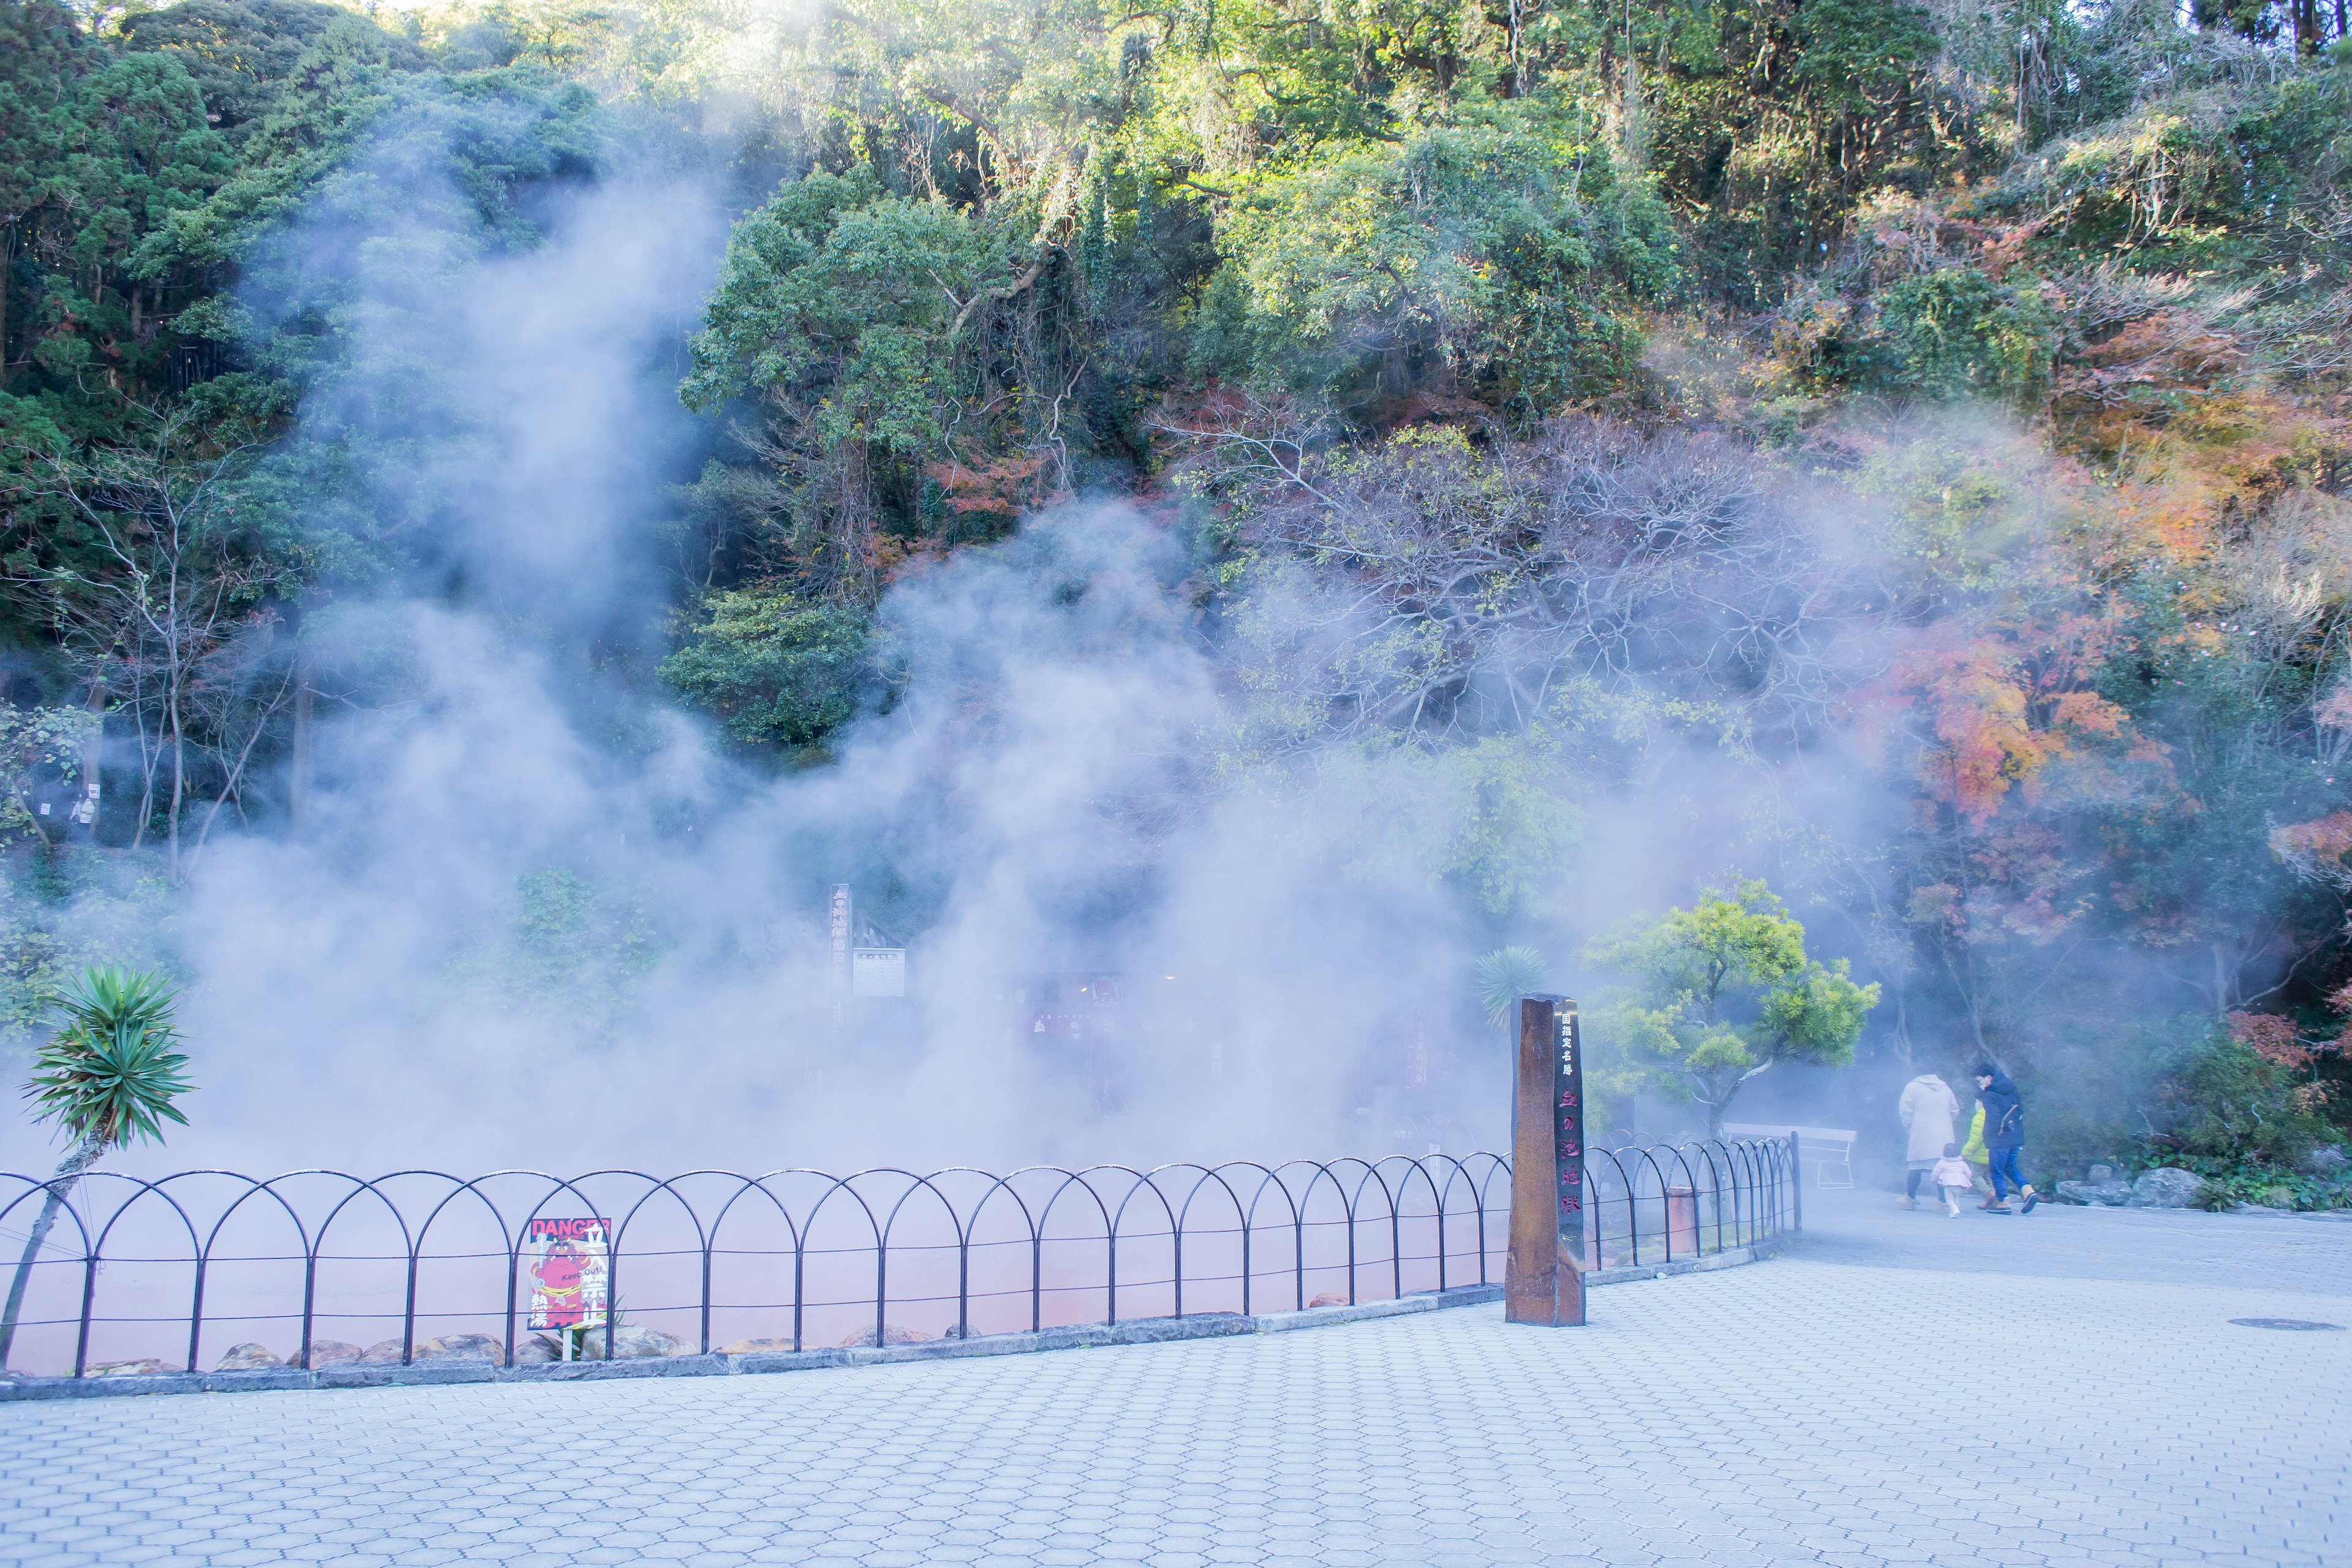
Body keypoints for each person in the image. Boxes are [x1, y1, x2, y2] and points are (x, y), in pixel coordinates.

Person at [1974, 1063, 2039, 1213]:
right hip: (2015, 1136)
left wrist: (1988, 1136)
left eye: (1979, 1081)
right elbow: (2020, 1110)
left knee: (1996, 1171)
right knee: (2010, 1167)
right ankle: (2028, 1191)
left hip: (1999, 1139)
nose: (1980, 1085)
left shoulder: (1990, 1095)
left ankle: (2003, 1202)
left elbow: (1993, 1118)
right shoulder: (2010, 1088)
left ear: (1988, 1078)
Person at [1896, 1071, 1960, 1210]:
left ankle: (1910, 1199)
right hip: (1944, 1136)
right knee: (1941, 1169)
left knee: (1915, 1167)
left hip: (1921, 1132)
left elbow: (1905, 1110)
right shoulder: (1946, 1089)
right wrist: (1946, 1122)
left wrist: (1908, 1124)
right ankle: (1942, 1202)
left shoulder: (1912, 1087)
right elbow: (1955, 1110)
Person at [1929, 1142, 1974, 1217]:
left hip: (1948, 1184)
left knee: (1949, 1199)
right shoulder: (1962, 1163)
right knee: (1956, 1197)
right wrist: (1967, 1180)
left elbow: (1936, 1172)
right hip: (1959, 1184)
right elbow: (1968, 1173)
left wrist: (1933, 1180)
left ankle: (1954, 1209)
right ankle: (1956, 1210)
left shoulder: (1942, 1162)